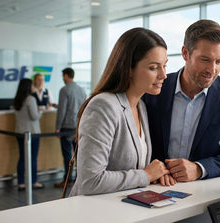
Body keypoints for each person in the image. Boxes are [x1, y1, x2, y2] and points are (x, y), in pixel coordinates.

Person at [69, 27, 174, 196]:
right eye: (154, 67)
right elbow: (90, 181)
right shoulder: (104, 105)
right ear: (129, 68)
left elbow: (133, 170)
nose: (164, 75)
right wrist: (146, 175)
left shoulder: (141, 107)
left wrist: (155, 175)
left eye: (164, 66)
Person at [142, 19, 220, 182]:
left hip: (203, 193)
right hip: (155, 186)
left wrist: (200, 169)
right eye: (205, 60)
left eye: (219, 61)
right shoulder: (154, 88)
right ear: (185, 53)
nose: (212, 70)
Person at [54, 68, 86, 188]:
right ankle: (78, 179)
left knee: (67, 154)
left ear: (66, 76)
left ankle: (67, 180)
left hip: (67, 127)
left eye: (63, 76)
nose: (63, 78)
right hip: (78, 125)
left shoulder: (64, 90)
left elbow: (62, 111)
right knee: (79, 155)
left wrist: (57, 127)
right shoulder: (81, 90)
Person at [13, 78, 44, 191]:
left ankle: (21, 183)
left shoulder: (17, 99)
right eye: (31, 85)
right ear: (28, 86)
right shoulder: (30, 99)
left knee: (22, 158)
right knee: (33, 158)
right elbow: (34, 116)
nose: (33, 86)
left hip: (19, 132)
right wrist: (41, 111)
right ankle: (34, 182)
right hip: (32, 133)